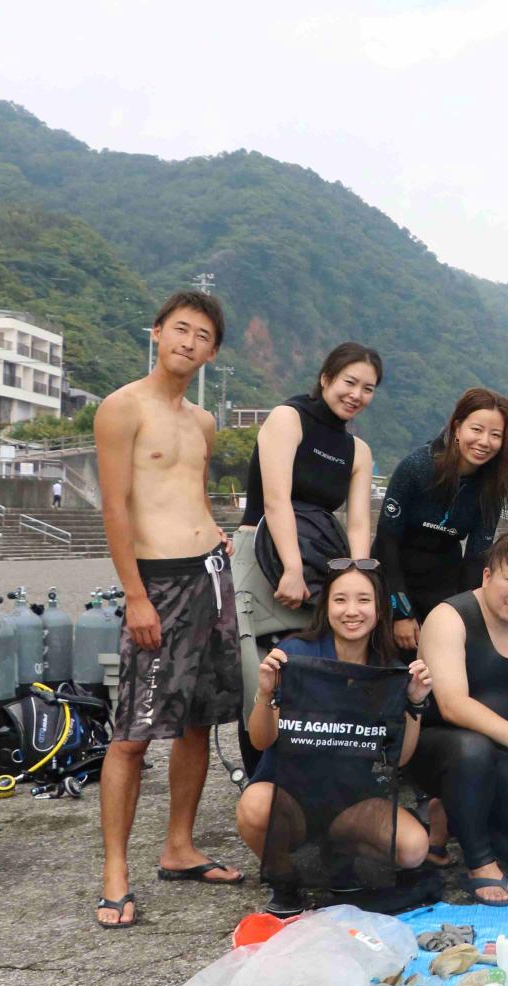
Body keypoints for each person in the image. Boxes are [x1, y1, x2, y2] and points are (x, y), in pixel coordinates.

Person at [92, 290, 244, 929]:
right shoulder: (121, 408)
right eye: (180, 330)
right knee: (133, 732)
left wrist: (216, 532)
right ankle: (114, 874)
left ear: (212, 351)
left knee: (199, 722)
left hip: (211, 575)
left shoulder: (203, 422)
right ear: (157, 333)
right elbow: (117, 507)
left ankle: (178, 847)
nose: (189, 342)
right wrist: (134, 596)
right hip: (157, 582)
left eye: (202, 335)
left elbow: (189, 495)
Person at [237, 561, 434, 916]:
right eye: (340, 600)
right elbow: (261, 741)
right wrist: (266, 694)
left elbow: (400, 758)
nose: (352, 611)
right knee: (253, 807)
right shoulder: (295, 654)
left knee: (414, 848)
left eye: (363, 600)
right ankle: (285, 880)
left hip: (352, 801)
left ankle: (340, 858)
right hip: (291, 797)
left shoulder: (388, 668)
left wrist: (415, 702)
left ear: (379, 609)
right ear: (326, 606)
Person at [410, 529, 508, 905]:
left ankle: (455, 816)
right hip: (442, 749)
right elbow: (452, 703)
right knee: (472, 748)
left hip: (504, 758)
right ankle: (479, 863)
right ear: (487, 575)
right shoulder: (450, 617)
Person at [242, 343, 381, 611]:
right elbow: (276, 500)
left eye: (367, 389)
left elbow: (358, 526)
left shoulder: (358, 451)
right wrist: (293, 569)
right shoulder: (288, 418)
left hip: (318, 567)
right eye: (349, 382)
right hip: (259, 554)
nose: (356, 395)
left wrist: (356, 579)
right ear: (326, 378)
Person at [377, 388, 508, 650]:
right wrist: (401, 612)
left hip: (442, 580)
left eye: (495, 435)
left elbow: (476, 558)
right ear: (457, 428)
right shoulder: (417, 467)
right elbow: (386, 542)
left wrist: (457, 614)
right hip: (394, 576)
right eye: (476, 429)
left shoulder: (491, 487)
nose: (485, 441)